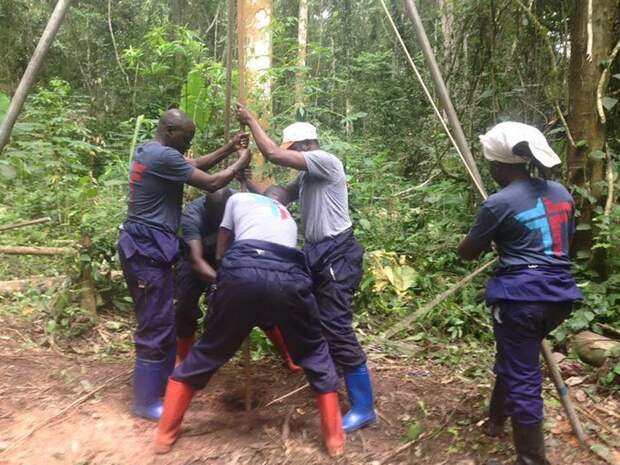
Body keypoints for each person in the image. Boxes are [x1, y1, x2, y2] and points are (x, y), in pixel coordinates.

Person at [154, 190, 346, 457]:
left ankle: (165, 435)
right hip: (291, 277)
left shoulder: (237, 199)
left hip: (242, 269)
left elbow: (222, 252)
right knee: (315, 352)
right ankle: (335, 440)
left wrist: (228, 284)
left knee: (208, 351)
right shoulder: (286, 215)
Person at [236, 105, 375, 433]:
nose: (289, 156)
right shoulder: (308, 177)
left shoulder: (326, 161)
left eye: (291, 150)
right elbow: (278, 199)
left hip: (337, 254)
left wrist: (251, 120)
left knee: (336, 325)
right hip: (317, 254)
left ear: (303, 146)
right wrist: (247, 181)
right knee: (315, 317)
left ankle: (364, 406)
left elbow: (271, 153)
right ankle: (335, 371)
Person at [457, 122, 582, 465]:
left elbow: (467, 252)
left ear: (497, 167)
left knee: (524, 376)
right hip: (560, 298)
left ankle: (531, 459)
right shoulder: (561, 193)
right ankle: (497, 419)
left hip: (521, 299)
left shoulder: (498, 203)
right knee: (517, 356)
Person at [118, 108, 251, 421]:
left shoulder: (154, 153)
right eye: (186, 137)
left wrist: (230, 147)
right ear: (169, 130)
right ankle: (146, 401)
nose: (189, 143)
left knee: (163, 318)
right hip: (146, 245)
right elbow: (213, 181)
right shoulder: (163, 157)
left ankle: (159, 384)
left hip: (152, 245)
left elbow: (195, 165)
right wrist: (242, 160)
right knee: (155, 322)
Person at [175, 189, 302, 373]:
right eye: (217, 216)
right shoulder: (192, 216)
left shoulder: (239, 202)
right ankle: (184, 360)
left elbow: (268, 198)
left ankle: (288, 355)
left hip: (232, 256)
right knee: (185, 307)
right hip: (196, 260)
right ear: (207, 207)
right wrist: (224, 281)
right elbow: (196, 260)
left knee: (259, 300)